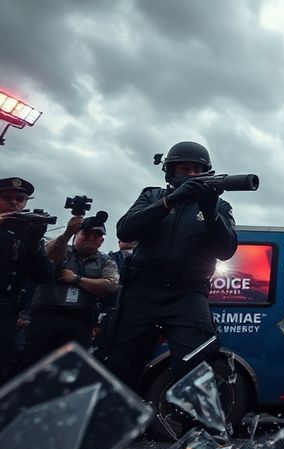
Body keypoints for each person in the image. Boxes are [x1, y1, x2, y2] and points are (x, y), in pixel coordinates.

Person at [104, 141, 238, 391]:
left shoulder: (219, 206)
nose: (191, 175)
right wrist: (170, 202)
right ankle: (117, 425)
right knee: (122, 365)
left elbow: (226, 250)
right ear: (170, 172)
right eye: (184, 169)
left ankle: (196, 427)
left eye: (197, 170)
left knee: (197, 366)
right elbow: (126, 229)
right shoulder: (152, 196)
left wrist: (210, 211)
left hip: (188, 293)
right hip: (142, 290)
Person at [23, 214, 119, 364]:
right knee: (31, 364)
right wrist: (67, 232)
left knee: (68, 370)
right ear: (77, 235)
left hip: (80, 322)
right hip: (46, 316)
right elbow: (47, 257)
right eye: (86, 233)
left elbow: (111, 285)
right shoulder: (61, 248)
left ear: (101, 241)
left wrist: (77, 279)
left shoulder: (107, 262)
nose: (91, 238)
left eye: (97, 235)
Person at [0, 177, 52, 383]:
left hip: (7, 308)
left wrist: (33, 243)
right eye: (7, 197)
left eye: (20, 199)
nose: (14, 203)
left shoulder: (24, 233)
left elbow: (44, 276)